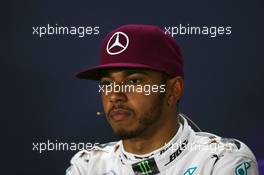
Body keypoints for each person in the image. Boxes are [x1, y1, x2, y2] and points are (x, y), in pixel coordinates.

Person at [66, 24, 259, 175]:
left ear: (173, 90)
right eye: (107, 83)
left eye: (134, 80)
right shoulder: (87, 165)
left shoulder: (222, 159)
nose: (115, 94)